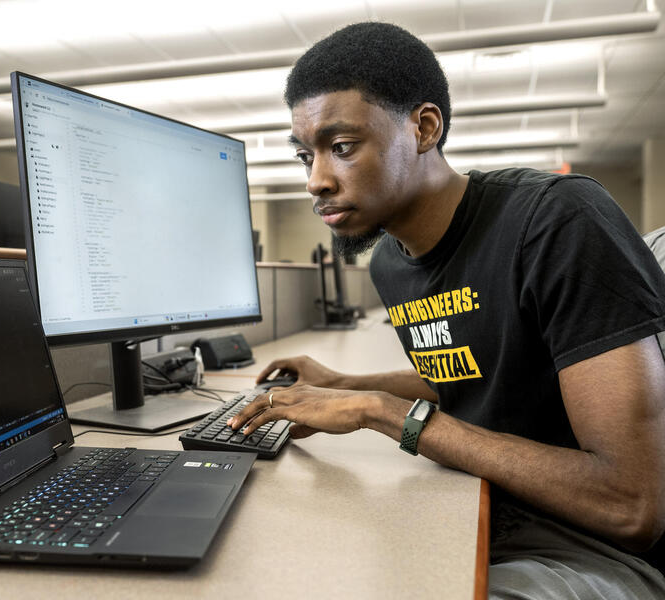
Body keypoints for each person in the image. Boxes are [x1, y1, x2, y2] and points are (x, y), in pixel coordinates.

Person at [227, 22, 665, 599]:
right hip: (483, 503)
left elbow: (631, 505)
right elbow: (476, 373)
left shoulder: (555, 222)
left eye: (341, 148)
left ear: (424, 127)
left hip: (587, 547)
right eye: (305, 155)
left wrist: (382, 412)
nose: (316, 181)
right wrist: (344, 383)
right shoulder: (389, 261)